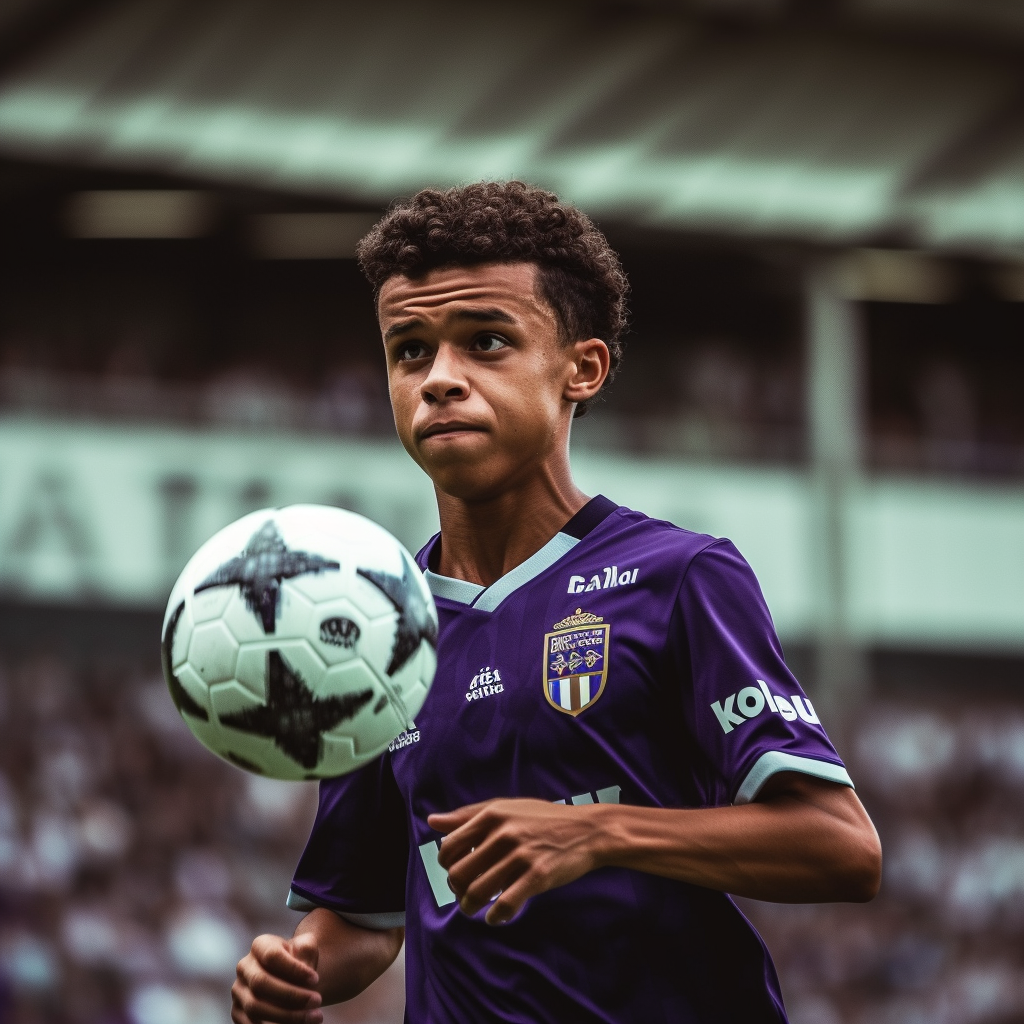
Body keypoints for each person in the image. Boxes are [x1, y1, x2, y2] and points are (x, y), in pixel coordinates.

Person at [231, 182, 881, 1024]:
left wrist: (600, 833)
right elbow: (360, 915)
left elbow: (841, 847)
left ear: (584, 368)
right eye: (410, 351)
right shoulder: (375, 632)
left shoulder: (680, 576)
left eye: (486, 342)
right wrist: (294, 968)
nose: (440, 380)